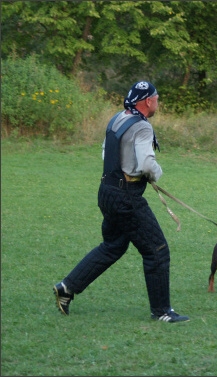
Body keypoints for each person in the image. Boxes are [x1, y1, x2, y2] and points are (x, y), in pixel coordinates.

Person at [53, 81, 189, 323]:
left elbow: (107, 153)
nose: (158, 102)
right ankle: (162, 312)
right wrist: (155, 174)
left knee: (113, 246)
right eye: (156, 98)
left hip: (107, 191)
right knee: (157, 251)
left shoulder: (118, 118)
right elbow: (147, 164)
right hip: (126, 197)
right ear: (148, 101)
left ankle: (67, 287)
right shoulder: (143, 127)